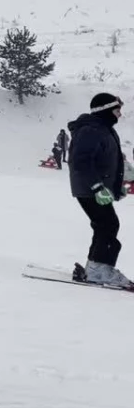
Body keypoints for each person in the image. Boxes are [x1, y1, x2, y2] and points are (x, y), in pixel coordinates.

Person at [66, 92, 130, 287]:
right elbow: (81, 161)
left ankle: (95, 267)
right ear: (105, 110)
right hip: (89, 188)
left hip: (96, 187)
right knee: (108, 225)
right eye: (117, 110)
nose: (120, 114)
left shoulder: (103, 129)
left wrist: (116, 186)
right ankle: (99, 270)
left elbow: (109, 160)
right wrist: (97, 188)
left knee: (105, 225)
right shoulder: (91, 130)